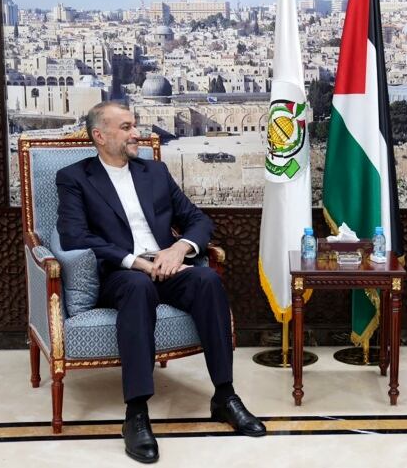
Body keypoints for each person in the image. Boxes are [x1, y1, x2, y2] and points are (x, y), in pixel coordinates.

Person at [56, 101, 265, 464]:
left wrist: (179, 249)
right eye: (125, 127)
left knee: (206, 280)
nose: (136, 133)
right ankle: (136, 413)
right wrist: (134, 262)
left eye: (134, 125)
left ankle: (224, 396)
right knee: (138, 287)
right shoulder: (75, 177)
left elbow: (197, 220)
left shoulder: (155, 172)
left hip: (165, 266)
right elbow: (73, 236)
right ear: (100, 136)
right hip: (120, 273)